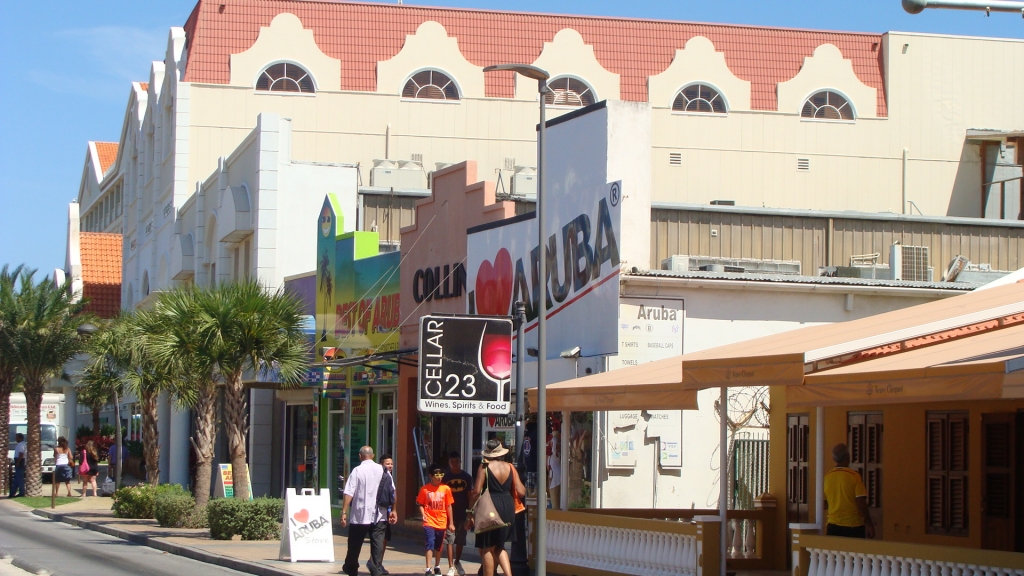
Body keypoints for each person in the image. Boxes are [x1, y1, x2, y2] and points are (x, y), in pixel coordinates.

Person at [468, 440, 525, 576]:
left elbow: (476, 492)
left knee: (487, 547)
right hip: (508, 506)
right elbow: (521, 491)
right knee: (500, 546)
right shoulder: (510, 467)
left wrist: (469, 512)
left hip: (490, 506)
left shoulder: (484, 467)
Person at [341, 446, 395, 576]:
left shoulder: (357, 471)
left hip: (360, 515)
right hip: (380, 515)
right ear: (373, 455)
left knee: (354, 543)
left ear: (360, 456)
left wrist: (343, 511)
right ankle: (376, 568)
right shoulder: (383, 470)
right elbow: (392, 491)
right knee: (377, 544)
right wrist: (394, 510)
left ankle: (351, 567)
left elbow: (349, 492)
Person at [823, 443, 875, 539]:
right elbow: (861, 502)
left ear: (834, 458)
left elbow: (824, 504)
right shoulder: (854, 476)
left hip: (833, 526)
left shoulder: (827, 477)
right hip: (853, 526)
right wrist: (870, 524)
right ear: (848, 456)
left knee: (834, 553)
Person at [418, 464, 455, 576]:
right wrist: (423, 514)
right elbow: (420, 504)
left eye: (441, 475)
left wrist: (451, 523)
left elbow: (449, 506)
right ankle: (428, 568)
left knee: (438, 545)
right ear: (431, 476)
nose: (439, 477)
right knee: (430, 542)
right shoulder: (425, 489)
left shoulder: (446, 489)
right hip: (429, 520)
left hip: (442, 521)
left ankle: (437, 566)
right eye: (437, 475)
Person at [443, 451, 474, 576]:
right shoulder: (445, 478)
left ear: (460, 462)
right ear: (449, 463)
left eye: (457, 462)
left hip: (463, 513)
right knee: (450, 539)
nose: (455, 464)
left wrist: (470, 514)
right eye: (452, 462)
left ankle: (457, 561)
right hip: (449, 514)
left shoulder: (466, 477)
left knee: (460, 540)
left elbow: (470, 496)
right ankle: (450, 566)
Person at [373, 454, 397, 576]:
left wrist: (393, 510)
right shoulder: (383, 475)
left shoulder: (389, 476)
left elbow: (393, 494)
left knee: (384, 538)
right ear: (381, 464)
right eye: (387, 464)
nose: (390, 466)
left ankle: (377, 562)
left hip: (385, 512)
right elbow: (393, 494)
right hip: (379, 513)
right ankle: (375, 563)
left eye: (391, 464)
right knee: (380, 538)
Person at [8, 433, 26, 498]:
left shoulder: (21, 444)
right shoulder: (20, 444)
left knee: (19, 478)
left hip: (20, 461)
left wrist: (18, 462)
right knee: (16, 478)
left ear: (20, 438)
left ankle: (22, 492)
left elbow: (21, 453)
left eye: (17, 437)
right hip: (18, 460)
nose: (16, 439)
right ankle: (12, 493)